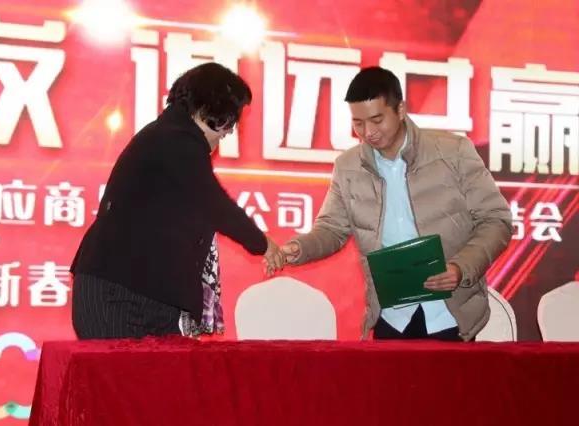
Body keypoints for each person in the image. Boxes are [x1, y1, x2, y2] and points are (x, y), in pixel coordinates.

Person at [273, 66, 512, 342]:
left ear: (400, 110)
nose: (368, 132)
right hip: (390, 316)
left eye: (377, 120)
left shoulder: (453, 152)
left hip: (450, 314)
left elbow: (496, 221)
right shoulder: (348, 167)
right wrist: (299, 248)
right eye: (358, 123)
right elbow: (331, 229)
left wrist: (461, 268)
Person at [71, 62, 284, 339]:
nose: (228, 133)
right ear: (208, 108)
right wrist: (263, 244)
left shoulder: (169, 136)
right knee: (123, 368)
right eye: (229, 122)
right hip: (119, 295)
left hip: (145, 294)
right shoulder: (176, 139)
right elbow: (214, 204)